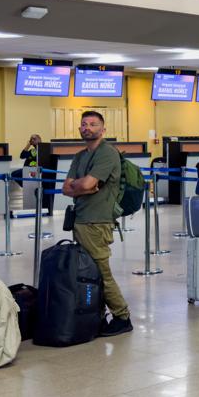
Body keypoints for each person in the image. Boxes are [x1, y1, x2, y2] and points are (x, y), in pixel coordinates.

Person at [60, 111, 132, 336]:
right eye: (84, 124)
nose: (87, 127)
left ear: (103, 129)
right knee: (88, 271)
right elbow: (67, 187)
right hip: (81, 219)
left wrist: (81, 186)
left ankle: (122, 316)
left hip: (97, 221)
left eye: (93, 124)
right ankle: (97, 315)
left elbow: (85, 184)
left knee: (101, 271)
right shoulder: (80, 156)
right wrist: (83, 187)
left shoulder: (107, 154)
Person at [17, 132, 53, 215]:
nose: (32, 140)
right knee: (15, 174)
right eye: (31, 139)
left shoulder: (44, 149)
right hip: (27, 171)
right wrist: (28, 144)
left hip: (36, 172)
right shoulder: (33, 150)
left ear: (40, 140)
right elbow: (22, 155)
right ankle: (26, 185)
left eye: (34, 138)